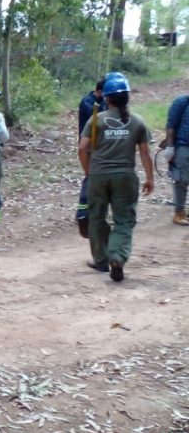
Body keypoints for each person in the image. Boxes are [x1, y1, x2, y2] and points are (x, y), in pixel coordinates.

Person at [78, 72, 153, 282]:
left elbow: (82, 148)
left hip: (99, 175)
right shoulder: (138, 122)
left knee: (97, 217)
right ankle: (117, 256)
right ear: (127, 97)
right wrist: (150, 178)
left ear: (106, 98)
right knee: (124, 220)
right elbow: (145, 152)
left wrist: (89, 172)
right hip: (125, 176)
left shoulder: (96, 120)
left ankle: (101, 260)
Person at [75, 79, 105, 237]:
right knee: (89, 177)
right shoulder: (87, 102)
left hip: (100, 146)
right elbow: (97, 118)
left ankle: (97, 211)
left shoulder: (103, 102)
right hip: (88, 145)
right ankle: (81, 212)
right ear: (99, 91)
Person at [160, 92, 189, 226]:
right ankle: (179, 213)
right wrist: (170, 147)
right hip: (183, 146)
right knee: (181, 179)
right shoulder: (181, 102)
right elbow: (171, 125)